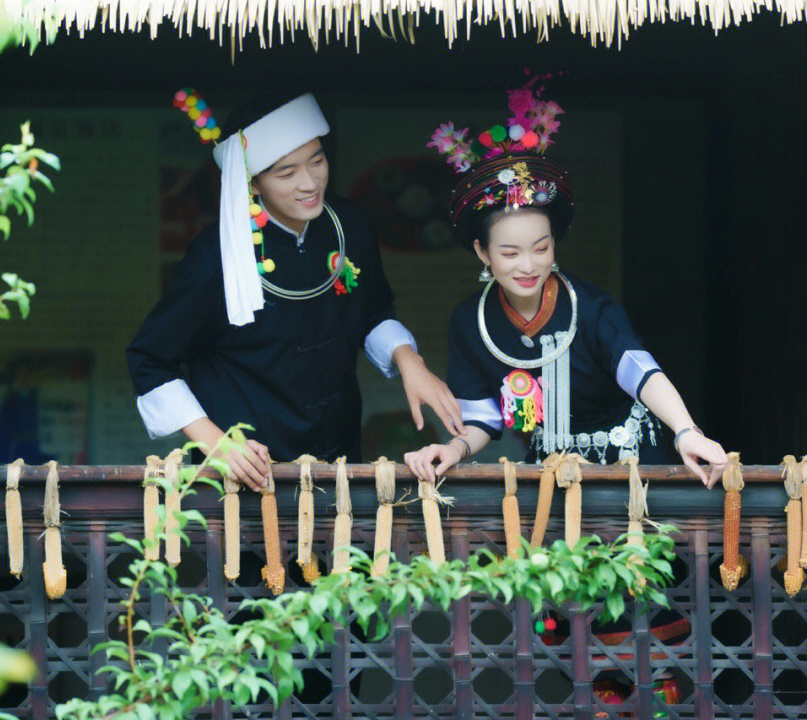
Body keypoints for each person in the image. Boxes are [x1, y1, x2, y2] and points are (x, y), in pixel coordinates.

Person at [128, 92, 463, 491]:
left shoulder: (349, 224)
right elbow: (150, 360)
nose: (309, 183)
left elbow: (372, 311)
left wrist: (410, 362)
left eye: (317, 160)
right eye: (286, 174)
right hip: (247, 475)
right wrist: (216, 444)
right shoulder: (215, 256)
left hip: (337, 463)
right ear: (252, 182)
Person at [405, 79, 726, 486]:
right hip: (550, 471)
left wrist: (687, 432)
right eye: (509, 253)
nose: (528, 266)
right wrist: (450, 450)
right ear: (482, 252)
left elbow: (640, 371)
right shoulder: (470, 321)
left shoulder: (590, 308)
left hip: (630, 462)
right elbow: (483, 417)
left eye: (541, 248)